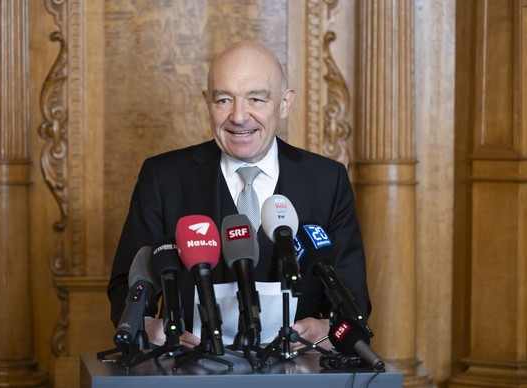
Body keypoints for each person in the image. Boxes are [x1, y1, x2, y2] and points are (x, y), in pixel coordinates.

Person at [107, 40, 371, 351]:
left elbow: (353, 299)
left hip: (298, 372)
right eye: (223, 100)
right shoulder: (163, 177)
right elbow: (128, 285)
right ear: (208, 102)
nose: (238, 116)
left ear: (285, 103)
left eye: (256, 99)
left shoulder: (327, 179)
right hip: (187, 371)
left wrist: (325, 330)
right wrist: (149, 326)